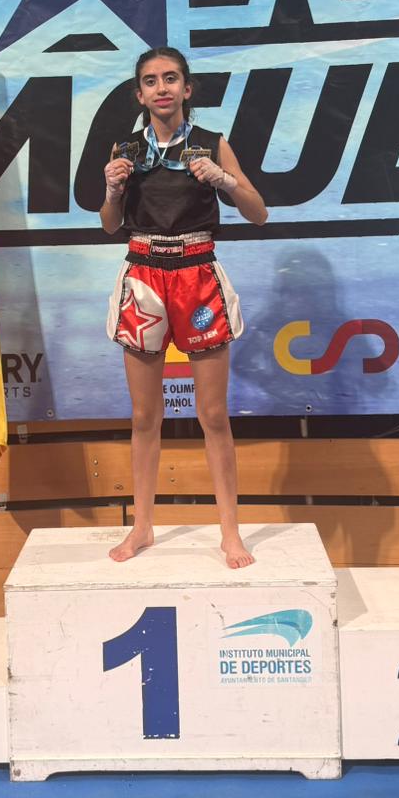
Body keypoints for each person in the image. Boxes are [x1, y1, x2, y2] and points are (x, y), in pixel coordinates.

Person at [102, 47, 268, 570]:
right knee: (144, 415)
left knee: (213, 414)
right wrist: (111, 190)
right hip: (144, 277)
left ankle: (230, 534)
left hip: (197, 275)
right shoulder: (126, 149)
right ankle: (142, 527)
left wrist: (225, 181)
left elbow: (259, 214)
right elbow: (110, 224)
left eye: (171, 78)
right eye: (151, 81)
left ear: (187, 88)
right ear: (140, 94)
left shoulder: (213, 143)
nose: (162, 88)